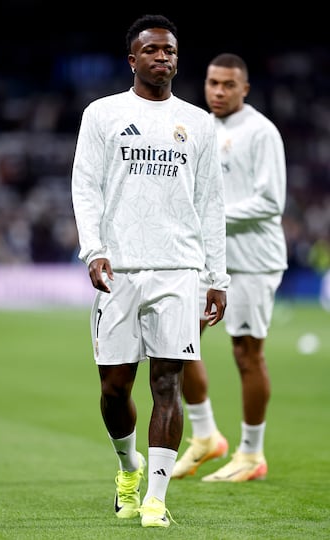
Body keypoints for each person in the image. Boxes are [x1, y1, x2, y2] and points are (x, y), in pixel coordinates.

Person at [71, 15, 230, 528]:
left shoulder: (199, 123)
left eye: (170, 51)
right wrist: (93, 249)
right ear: (132, 60)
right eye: (153, 50)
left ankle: (156, 500)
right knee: (115, 390)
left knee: (169, 383)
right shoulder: (103, 114)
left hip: (179, 268)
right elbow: (85, 186)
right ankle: (127, 468)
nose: (164, 58)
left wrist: (217, 277)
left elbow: (211, 204)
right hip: (119, 269)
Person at [172, 53, 288, 482]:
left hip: (253, 260)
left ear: (244, 89)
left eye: (228, 85)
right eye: (212, 83)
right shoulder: (199, 126)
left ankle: (252, 454)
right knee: (178, 344)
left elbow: (271, 202)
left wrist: (210, 214)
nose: (218, 91)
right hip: (207, 260)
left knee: (246, 354)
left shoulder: (261, 132)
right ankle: (205, 438)